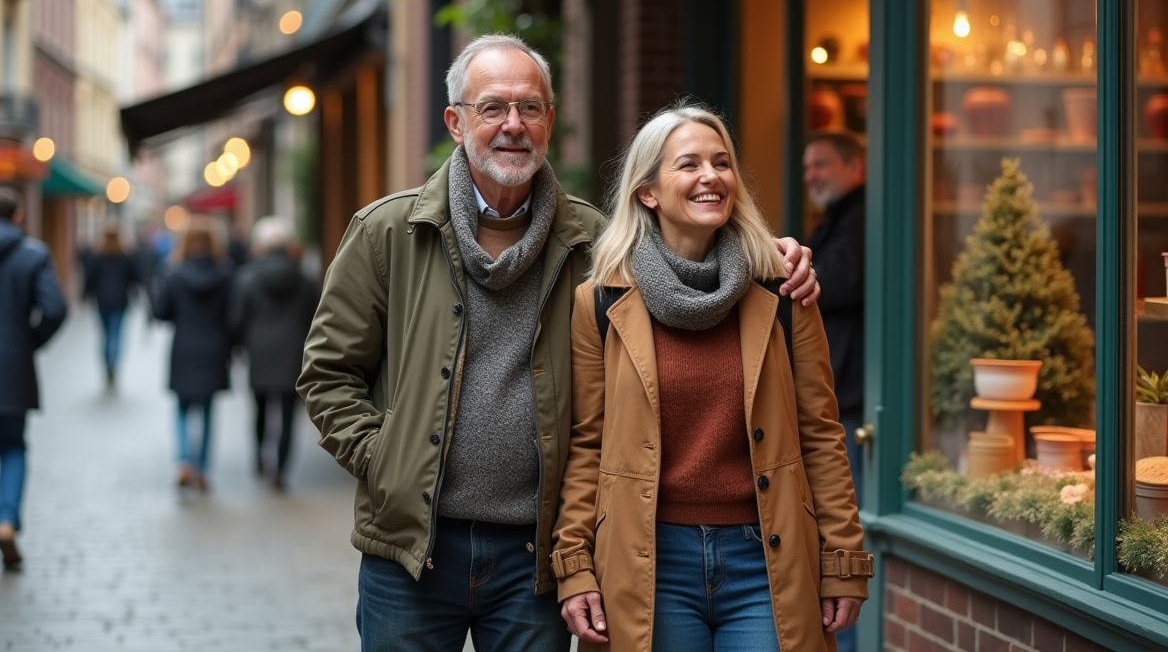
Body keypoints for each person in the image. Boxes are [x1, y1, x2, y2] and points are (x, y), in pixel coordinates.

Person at [296, 34, 820, 652]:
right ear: (455, 122)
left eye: (531, 108)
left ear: (550, 121)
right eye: (492, 108)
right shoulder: (388, 231)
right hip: (412, 551)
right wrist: (387, 463)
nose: (513, 125)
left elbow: (694, 242)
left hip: (534, 560)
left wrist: (777, 257)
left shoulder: (598, 246)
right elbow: (327, 374)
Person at [553, 102, 872, 652]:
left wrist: (842, 557)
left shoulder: (783, 290)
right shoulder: (601, 303)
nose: (711, 177)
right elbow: (587, 447)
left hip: (765, 560)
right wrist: (575, 566)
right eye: (689, 164)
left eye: (721, 163)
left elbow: (821, 431)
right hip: (650, 561)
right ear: (647, 191)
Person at [0, 186, 68, 571]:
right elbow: (56, 310)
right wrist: (29, 343)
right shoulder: (33, 255)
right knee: (12, 447)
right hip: (12, 367)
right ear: (19, 216)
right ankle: (7, 522)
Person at [229, 216, 319, 490]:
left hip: (260, 351)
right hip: (294, 352)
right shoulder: (305, 279)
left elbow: (237, 319)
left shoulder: (247, 277)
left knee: (260, 408)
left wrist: (239, 346)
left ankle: (259, 455)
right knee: (289, 415)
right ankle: (280, 470)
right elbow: (316, 318)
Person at [802, 132, 865, 493]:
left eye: (820, 164)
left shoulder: (865, 218)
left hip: (855, 397)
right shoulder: (838, 218)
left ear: (854, 166)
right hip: (841, 392)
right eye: (807, 168)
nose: (810, 175)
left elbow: (842, 279)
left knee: (848, 499)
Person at [152, 217, 234, 492]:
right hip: (214, 348)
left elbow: (161, 313)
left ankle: (185, 462)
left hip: (184, 347)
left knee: (183, 408)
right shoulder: (225, 276)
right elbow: (232, 316)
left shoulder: (174, 275)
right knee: (209, 410)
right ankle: (204, 469)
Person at [83, 225, 142, 388]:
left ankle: (107, 364)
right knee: (116, 333)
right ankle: (113, 362)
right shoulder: (126, 257)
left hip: (102, 300)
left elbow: (89, 279)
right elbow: (136, 278)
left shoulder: (97, 257)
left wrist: (85, 297)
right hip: (120, 300)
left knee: (105, 334)